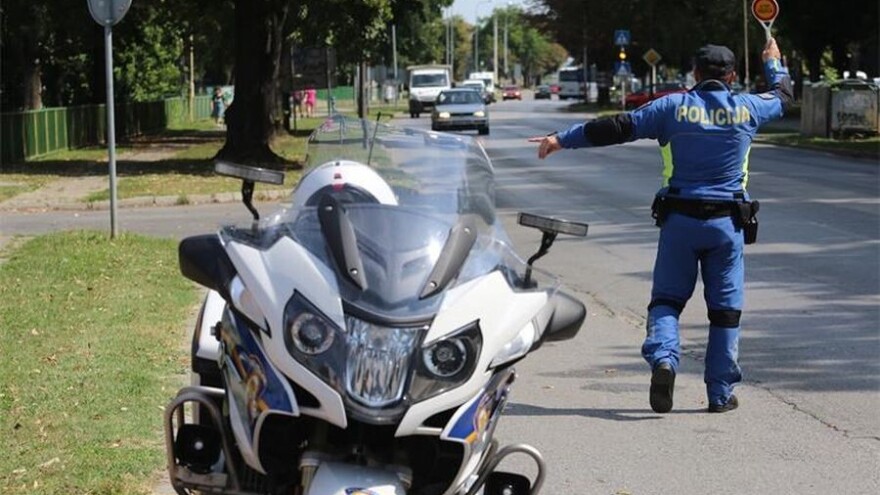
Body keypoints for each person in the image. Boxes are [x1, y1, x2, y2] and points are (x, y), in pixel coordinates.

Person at [529, 38, 792, 414]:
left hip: (680, 221)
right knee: (725, 310)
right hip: (726, 224)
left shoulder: (673, 106)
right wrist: (773, 62)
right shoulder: (747, 108)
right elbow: (783, 96)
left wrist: (561, 139)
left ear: (695, 74)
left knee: (667, 301)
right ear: (732, 76)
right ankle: (719, 394)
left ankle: (664, 359)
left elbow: (618, 127)